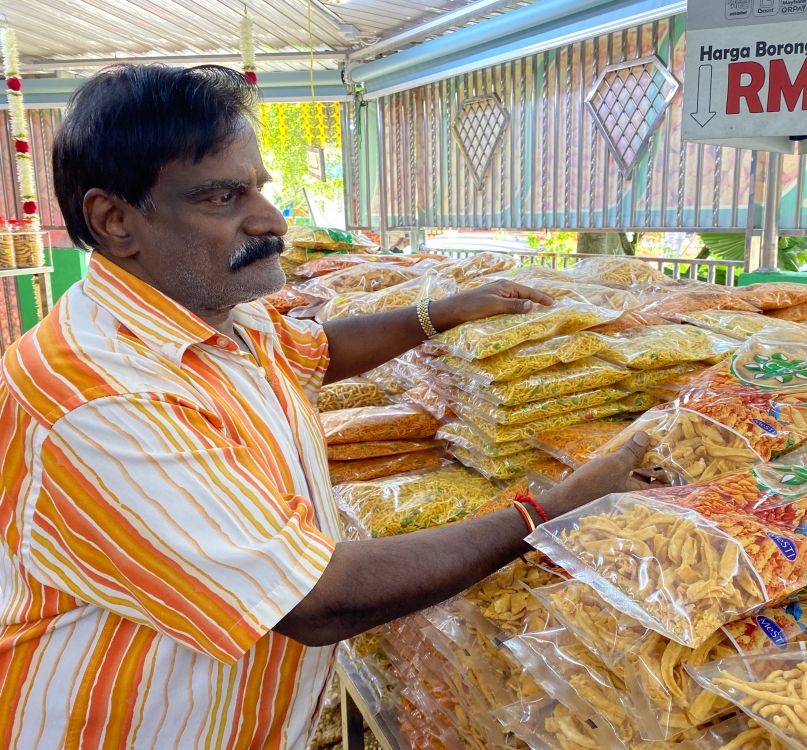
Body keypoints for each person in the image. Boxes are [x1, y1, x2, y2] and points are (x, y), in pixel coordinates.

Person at [0, 64, 649, 748]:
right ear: (115, 220)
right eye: (223, 197)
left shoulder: (215, 314)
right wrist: (550, 510)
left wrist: (439, 313)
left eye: (259, 187)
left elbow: (314, 350)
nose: (271, 220)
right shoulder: (96, 394)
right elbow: (313, 600)